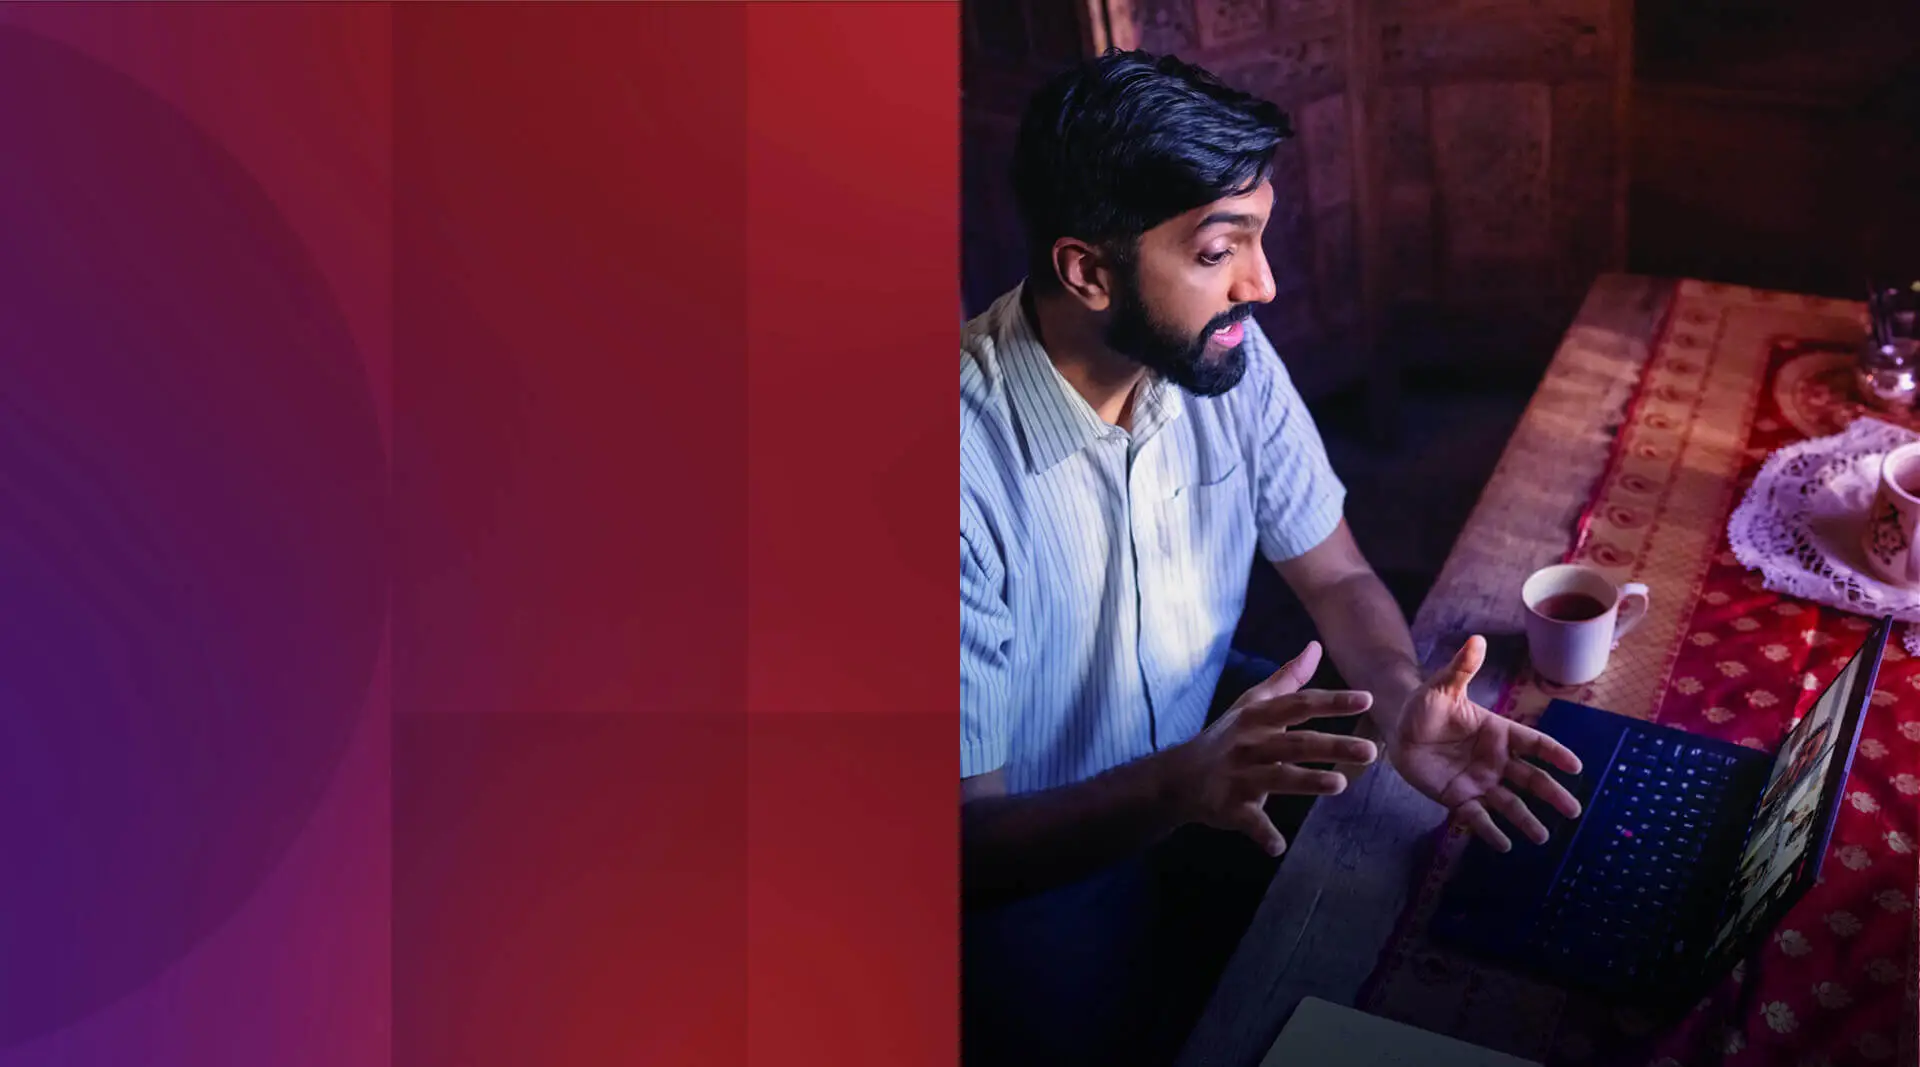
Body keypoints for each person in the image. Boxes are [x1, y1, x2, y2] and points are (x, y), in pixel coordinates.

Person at [959, 49, 1587, 1067]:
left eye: (1261, 238)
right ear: (1088, 269)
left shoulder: (1221, 357)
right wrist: (1179, 786)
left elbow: (1335, 575)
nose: (1267, 284)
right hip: (1033, 869)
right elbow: (960, 841)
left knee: (1424, 924)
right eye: (1220, 251)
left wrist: (1398, 692)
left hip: (1201, 739)